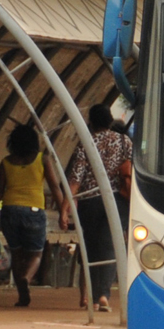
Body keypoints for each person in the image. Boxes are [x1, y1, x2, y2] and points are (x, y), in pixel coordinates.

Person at [0, 123, 67, 307]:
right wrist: (64, 210)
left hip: (10, 210)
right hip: (33, 211)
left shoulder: (6, 162)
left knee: (17, 254)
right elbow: (55, 187)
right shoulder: (42, 159)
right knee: (36, 253)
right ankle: (27, 277)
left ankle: (23, 296)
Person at [63, 104, 133, 312]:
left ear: (91, 122)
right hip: (117, 200)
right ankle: (104, 295)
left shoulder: (87, 142)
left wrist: (66, 205)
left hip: (90, 201)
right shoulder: (124, 141)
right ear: (110, 120)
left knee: (92, 248)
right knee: (110, 246)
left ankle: (93, 297)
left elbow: (76, 176)